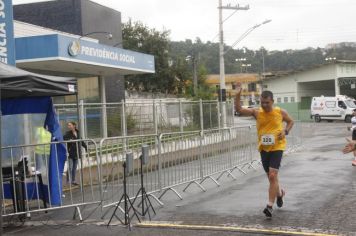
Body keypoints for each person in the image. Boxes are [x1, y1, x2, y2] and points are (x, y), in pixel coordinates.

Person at [235, 83, 294, 217]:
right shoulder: (257, 112)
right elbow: (239, 110)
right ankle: (279, 194)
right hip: (264, 148)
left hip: (277, 147)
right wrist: (237, 95)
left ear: (272, 101)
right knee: (271, 178)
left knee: (273, 175)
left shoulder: (280, 112)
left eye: (267, 102)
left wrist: (285, 131)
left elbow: (291, 122)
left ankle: (269, 206)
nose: (264, 105)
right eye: (262, 102)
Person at [63, 121, 87, 186]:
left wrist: (85, 147)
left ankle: (73, 180)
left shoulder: (78, 133)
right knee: (70, 167)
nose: (69, 126)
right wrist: (69, 140)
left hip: (76, 153)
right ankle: (68, 181)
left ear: (74, 126)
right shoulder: (68, 133)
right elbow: (64, 138)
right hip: (70, 153)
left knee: (74, 168)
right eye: (68, 125)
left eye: (70, 125)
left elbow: (81, 141)